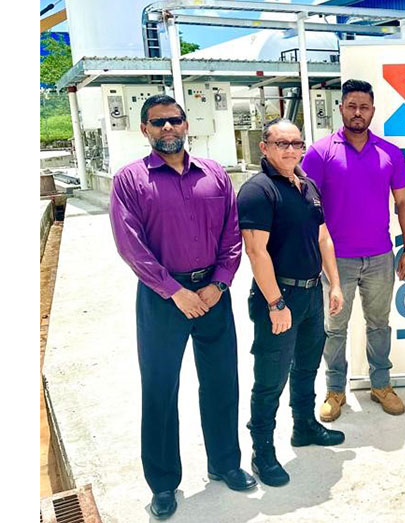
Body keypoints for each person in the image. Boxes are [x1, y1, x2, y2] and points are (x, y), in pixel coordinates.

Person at [109, 94, 255, 520]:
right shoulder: (130, 180)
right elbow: (129, 244)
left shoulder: (214, 175)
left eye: (174, 121)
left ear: (187, 124)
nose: (167, 129)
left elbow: (232, 234)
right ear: (145, 130)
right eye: (158, 123)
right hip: (161, 300)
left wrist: (219, 284)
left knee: (221, 382)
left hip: (212, 295)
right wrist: (174, 291)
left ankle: (226, 462)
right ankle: (163, 484)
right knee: (159, 390)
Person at [237, 118, 346, 487]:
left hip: (312, 294)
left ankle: (305, 426)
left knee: (305, 368)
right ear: (264, 148)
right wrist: (275, 303)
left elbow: (323, 237)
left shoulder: (308, 186)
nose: (289, 150)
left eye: (296, 143)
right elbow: (255, 251)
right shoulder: (258, 191)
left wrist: (334, 285)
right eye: (280, 143)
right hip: (279, 298)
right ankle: (263, 452)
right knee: (270, 379)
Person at [302, 79, 405, 422]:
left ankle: (381, 384)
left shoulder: (389, 153)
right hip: (337, 261)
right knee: (334, 328)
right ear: (340, 108)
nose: (357, 113)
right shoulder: (320, 153)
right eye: (351, 106)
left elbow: (404, 203)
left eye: (364, 107)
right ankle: (336, 390)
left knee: (379, 324)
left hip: (381, 256)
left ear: (372, 111)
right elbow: (308, 207)